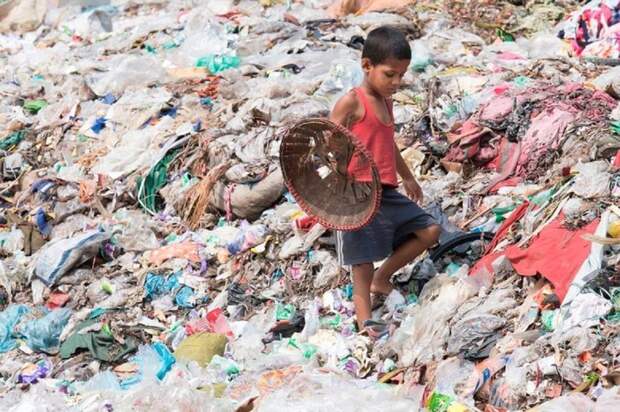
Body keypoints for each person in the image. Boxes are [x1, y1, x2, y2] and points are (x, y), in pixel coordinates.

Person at [329, 26, 441, 338]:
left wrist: (407, 177)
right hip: (356, 192)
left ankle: (384, 276)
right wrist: (338, 179)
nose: (396, 82)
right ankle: (365, 322)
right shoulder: (351, 103)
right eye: (390, 74)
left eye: (401, 75)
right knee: (361, 261)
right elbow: (328, 142)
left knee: (430, 230)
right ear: (367, 66)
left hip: (385, 190)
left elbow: (387, 143)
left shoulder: (387, 103)